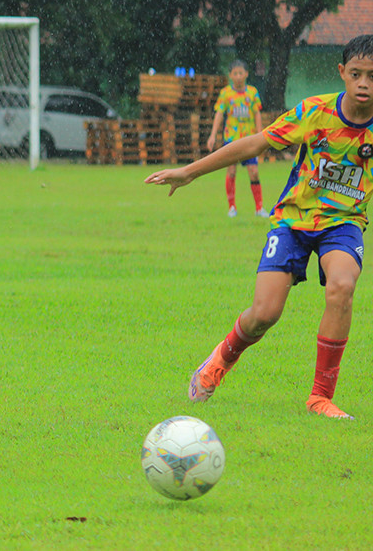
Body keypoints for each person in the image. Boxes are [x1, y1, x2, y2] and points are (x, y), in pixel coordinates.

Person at [145, 34, 373, 420]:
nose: (364, 83)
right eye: (356, 74)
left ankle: (321, 398)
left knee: (342, 286)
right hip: (292, 222)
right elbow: (253, 144)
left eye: (372, 76)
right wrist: (189, 172)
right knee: (264, 314)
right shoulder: (315, 112)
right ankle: (220, 359)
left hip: (344, 224)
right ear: (342, 73)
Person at [206, 59, 265, 218]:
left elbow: (257, 113)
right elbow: (219, 113)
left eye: (241, 73)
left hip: (250, 139)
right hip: (231, 139)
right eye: (235, 73)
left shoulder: (252, 92)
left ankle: (259, 208)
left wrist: (260, 135)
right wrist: (213, 135)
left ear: (246, 74)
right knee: (231, 171)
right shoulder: (226, 93)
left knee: (254, 172)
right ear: (230, 75)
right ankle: (232, 207)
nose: (238, 76)